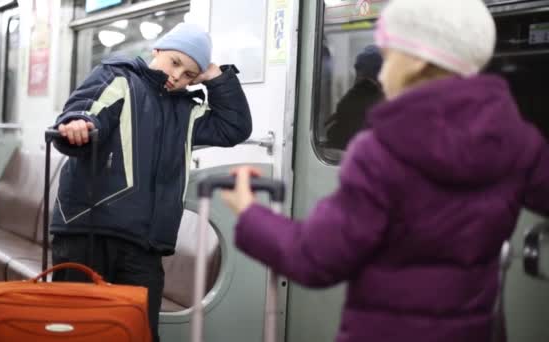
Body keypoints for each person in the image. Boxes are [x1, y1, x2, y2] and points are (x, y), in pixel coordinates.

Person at [221, 0, 549, 341]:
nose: (382, 71)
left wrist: (248, 212)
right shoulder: (518, 142)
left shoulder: (381, 152)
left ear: (416, 60)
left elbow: (315, 257)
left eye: (389, 56)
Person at [50, 22, 252, 342]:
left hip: (144, 243)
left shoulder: (186, 111)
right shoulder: (117, 77)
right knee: (77, 329)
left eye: (188, 74)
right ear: (156, 50)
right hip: (88, 230)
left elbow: (234, 127)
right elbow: (85, 112)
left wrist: (215, 75)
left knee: (138, 331)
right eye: (175, 62)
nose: (177, 76)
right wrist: (77, 125)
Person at [325, 45, 384, 150]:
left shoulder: (354, 98)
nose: (356, 75)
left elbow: (335, 134)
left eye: (358, 70)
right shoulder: (384, 100)